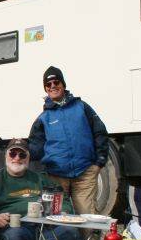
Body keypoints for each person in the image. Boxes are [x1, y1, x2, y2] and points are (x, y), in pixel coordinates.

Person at [27, 66, 109, 215]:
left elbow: (100, 132)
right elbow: (35, 148)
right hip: (56, 178)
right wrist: (19, 150)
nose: (53, 86)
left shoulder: (82, 107)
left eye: (56, 82)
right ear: (46, 89)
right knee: (56, 219)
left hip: (85, 174)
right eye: (48, 84)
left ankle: (87, 233)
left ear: (63, 84)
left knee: (87, 219)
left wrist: (99, 162)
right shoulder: (43, 118)